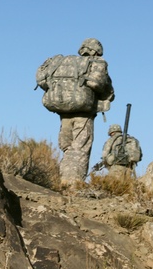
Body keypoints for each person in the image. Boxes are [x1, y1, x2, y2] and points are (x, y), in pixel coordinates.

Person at [35, 38, 114, 183]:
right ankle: (73, 183)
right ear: (97, 50)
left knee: (67, 147)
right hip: (83, 113)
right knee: (80, 148)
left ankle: (62, 180)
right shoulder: (96, 63)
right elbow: (100, 84)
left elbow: (42, 80)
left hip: (63, 113)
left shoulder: (62, 63)